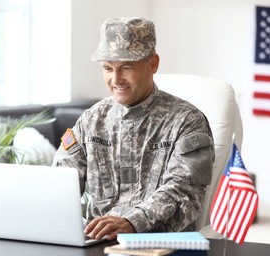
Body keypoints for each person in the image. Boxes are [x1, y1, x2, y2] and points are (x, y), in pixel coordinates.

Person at [53, 17, 215, 240]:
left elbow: (185, 192)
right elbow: (59, 183)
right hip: (98, 246)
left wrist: (132, 222)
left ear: (153, 64)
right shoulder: (92, 119)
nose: (116, 79)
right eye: (108, 68)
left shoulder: (188, 121)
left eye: (126, 67)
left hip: (159, 248)